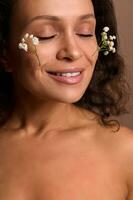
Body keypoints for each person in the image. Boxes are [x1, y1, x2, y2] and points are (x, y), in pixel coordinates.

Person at [0, 0, 133, 199]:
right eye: (46, 35)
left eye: (85, 32)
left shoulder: (125, 152)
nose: (73, 51)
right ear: (5, 53)